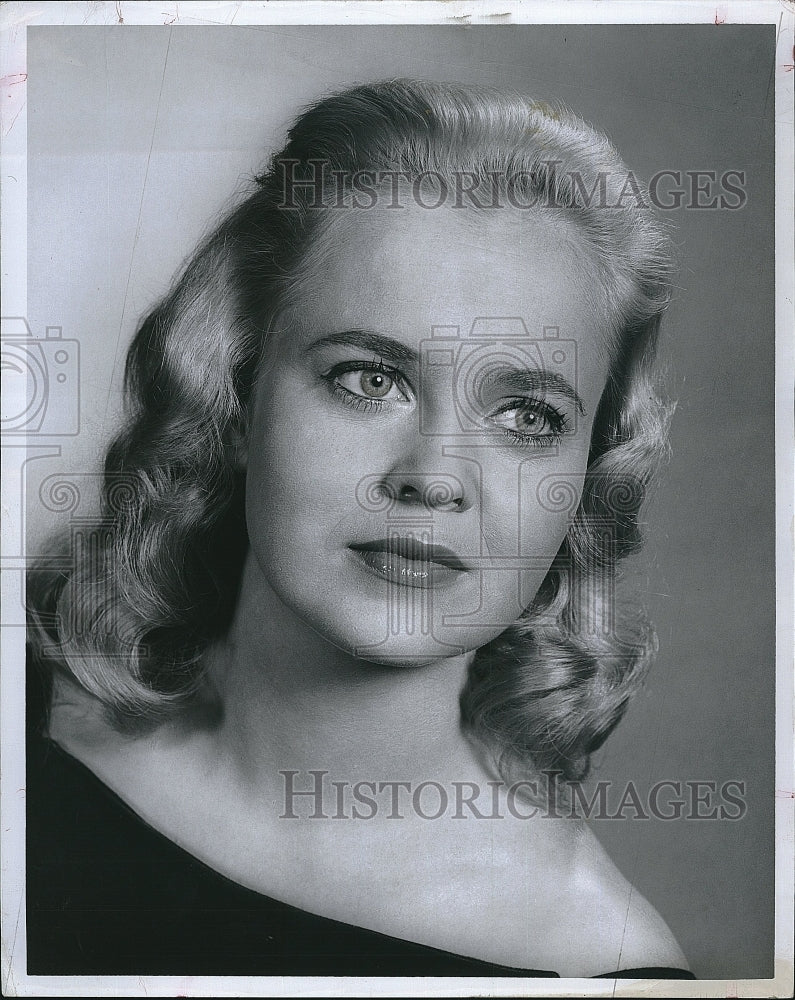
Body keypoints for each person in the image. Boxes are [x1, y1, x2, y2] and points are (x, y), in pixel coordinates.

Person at [26, 78, 693, 979]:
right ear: (233, 388)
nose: (433, 477)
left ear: (587, 475)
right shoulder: (24, 718)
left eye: (528, 417)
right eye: (369, 380)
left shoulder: (596, 967)